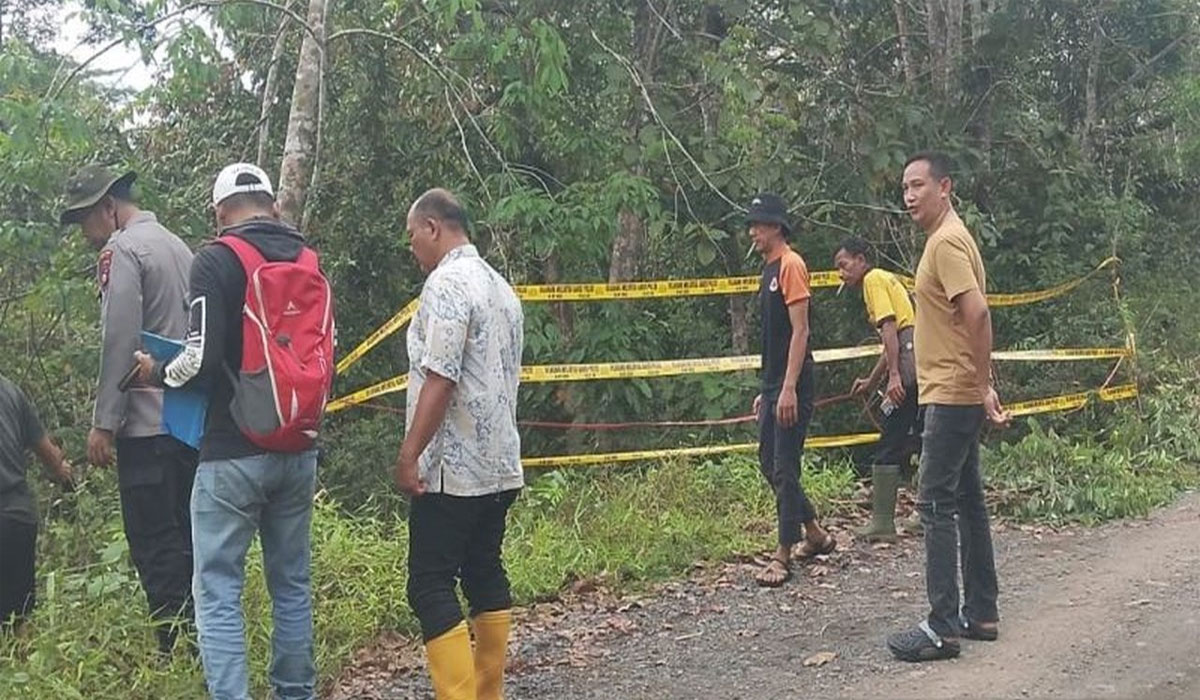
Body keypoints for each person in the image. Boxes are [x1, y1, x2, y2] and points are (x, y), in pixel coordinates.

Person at [133, 162, 335, 699]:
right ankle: (296, 693)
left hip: (231, 452)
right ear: (271, 203)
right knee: (290, 585)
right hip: (298, 446)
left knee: (218, 587)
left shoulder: (217, 260)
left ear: (220, 211)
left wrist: (154, 371)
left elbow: (198, 361)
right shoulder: (310, 260)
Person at [59, 164, 198, 654]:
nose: (84, 235)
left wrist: (104, 422)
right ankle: (199, 642)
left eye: (84, 221)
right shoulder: (179, 245)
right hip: (188, 421)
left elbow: (120, 338)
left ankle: (172, 647)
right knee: (188, 536)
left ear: (108, 208)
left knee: (154, 540)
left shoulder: (120, 249)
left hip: (145, 423)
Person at [393, 189, 524, 700]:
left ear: (432, 227)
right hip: (499, 465)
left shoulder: (446, 284)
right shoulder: (501, 288)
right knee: (484, 572)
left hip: (452, 468)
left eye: (412, 237)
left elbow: (440, 378)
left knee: (429, 584)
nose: (412, 249)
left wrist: (409, 454)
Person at [887, 152, 1010, 663]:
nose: (911, 196)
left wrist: (979, 384)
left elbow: (977, 313)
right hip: (957, 389)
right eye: (904, 189)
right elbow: (968, 319)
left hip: (950, 392)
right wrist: (979, 386)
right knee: (968, 501)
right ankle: (981, 612)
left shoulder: (946, 243)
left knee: (933, 505)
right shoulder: (949, 239)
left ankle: (941, 626)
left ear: (946, 187)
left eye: (919, 185)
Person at [746, 193, 836, 588]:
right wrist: (767, 390)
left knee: (785, 466)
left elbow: (801, 331)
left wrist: (788, 389)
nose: (753, 232)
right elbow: (775, 338)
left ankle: (783, 554)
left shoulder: (791, 265)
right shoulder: (768, 269)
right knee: (769, 461)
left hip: (792, 383)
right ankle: (814, 532)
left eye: (760, 225)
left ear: (777, 228)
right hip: (774, 384)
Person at [834, 237, 920, 541]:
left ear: (860, 260)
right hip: (919, 361)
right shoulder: (887, 278)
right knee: (920, 437)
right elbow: (891, 341)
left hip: (908, 368)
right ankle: (926, 512)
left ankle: (883, 522)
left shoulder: (872, 280)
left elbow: (889, 329)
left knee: (890, 436)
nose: (841, 274)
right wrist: (872, 381)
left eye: (843, 266)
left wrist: (894, 377)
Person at [0, 374, 75, 631]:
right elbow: (48, 453)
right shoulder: (10, 390)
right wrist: (61, 469)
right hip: (16, 517)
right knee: (19, 620)